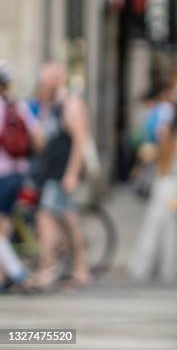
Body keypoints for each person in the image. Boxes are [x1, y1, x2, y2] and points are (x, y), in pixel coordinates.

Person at [31, 63, 91, 289]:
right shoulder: (51, 105)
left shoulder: (70, 104)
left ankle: (47, 268)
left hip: (61, 174)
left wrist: (72, 174)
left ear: (56, 79)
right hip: (52, 172)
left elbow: (80, 140)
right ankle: (80, 269)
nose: (41, 85)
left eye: (45, 80)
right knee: (68, 222)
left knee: (46, 218)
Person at [129, 108, 177, 283]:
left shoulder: (163, 139)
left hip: (161, 186)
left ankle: (147, 266)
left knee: (154, 227)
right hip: (176, 189)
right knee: (174, 229)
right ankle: (171, 267)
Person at [0, 63, 43, 291]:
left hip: (1, 175)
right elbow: (38, 138)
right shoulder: (18, 106)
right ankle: (3, 278)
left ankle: (20, 275)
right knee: (3, 228)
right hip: (19, 173)